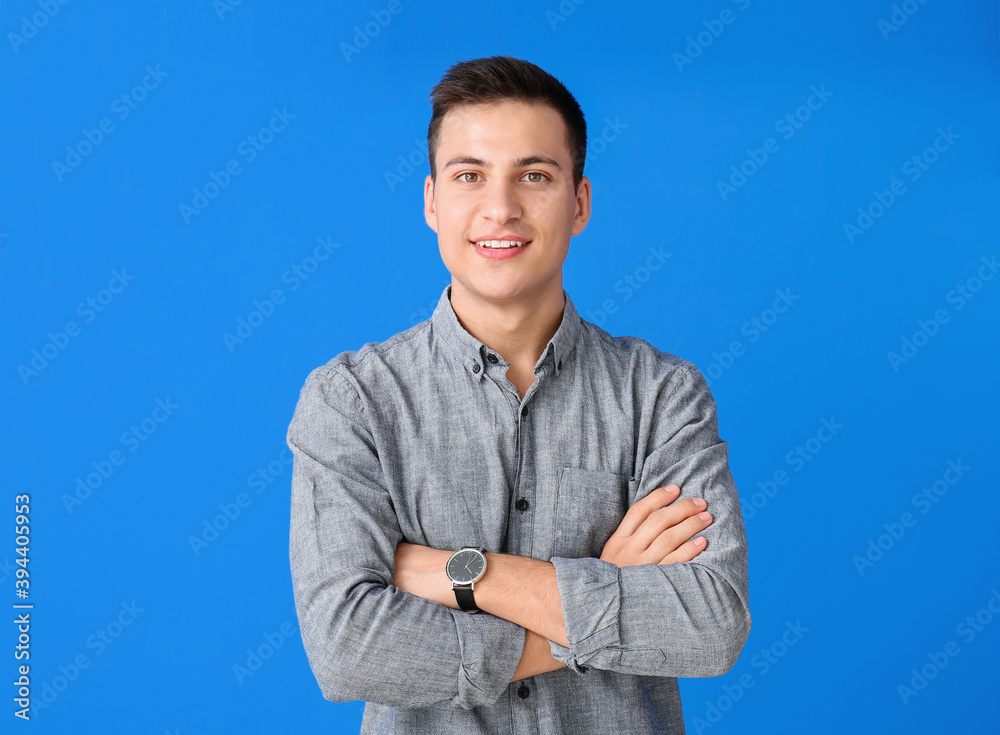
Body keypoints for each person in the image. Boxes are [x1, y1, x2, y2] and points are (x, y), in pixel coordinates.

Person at [287, 55, 750, 734]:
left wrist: (460, 573)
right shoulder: (351, 400)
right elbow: (346, 647)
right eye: (469, 175)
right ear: (432, 202)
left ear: (580, 203)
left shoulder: (662, 394)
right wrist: (599, 589)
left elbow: (709, 624)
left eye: (534, 175)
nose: (500, 207)